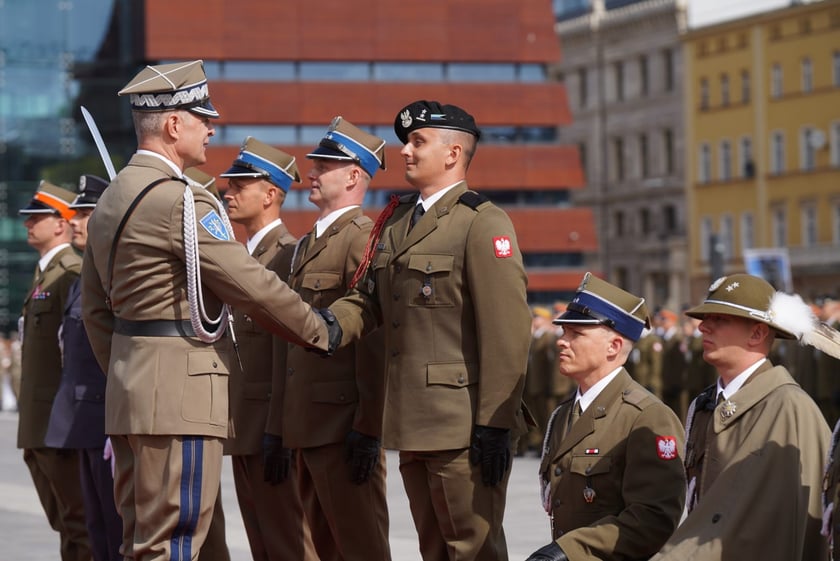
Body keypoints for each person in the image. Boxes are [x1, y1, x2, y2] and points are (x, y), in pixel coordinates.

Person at [80, 60, 334, 561]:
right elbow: (249, 284)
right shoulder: (179, 200)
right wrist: (319, 329)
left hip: (134, 390)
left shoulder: (111, 200)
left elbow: (95, 309)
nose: (212, 129)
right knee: (174, 543)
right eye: (202, 117)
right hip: (181, 393)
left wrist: (134, 370)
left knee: (141, 541)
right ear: (174, 124)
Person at [329, 100, 532, 561]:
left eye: (418, 142)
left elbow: (508, 331)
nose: (405, 151)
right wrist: (325, 325)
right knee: (434, 550)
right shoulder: (396, 220)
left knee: (474, 550)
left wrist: (495, 424)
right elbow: (369, 301)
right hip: (412, 421)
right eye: (406, 142)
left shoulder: (482, 223)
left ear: (453, 153)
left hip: (462, 427)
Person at [275, 117, 391, 561]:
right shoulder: (308, 244)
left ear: (354, 176)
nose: (313, 173)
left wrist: (368, 427)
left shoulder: (362, 239)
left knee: (361, 548)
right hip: (307, 424)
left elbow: (373, 338)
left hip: (343, 428)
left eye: (324, 165)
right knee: (325, 549)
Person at [653, 273, 830, 560]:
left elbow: (765, 524)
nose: (703, 327)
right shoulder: (705, 405)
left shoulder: (788, 408)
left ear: (757, 333)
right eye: (706, 317)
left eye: (720, 319)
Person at [525, 272, 686, 561]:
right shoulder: (564, 414)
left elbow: (653, 518)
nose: (562, 342)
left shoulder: (647, 417)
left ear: (613, 347)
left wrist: (568, 552)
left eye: (577, 334)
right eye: (564, 332)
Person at [216, 137, 317, 561]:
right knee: (263, 546)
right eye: (229, 185)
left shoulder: (289, 257)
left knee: (290, 545)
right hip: (244, 427)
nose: (228, 192)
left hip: (272, 430)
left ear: (272, 194)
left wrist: (279, 430)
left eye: (241, 185)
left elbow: (291, 354)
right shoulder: (238, 258)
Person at [44, 174, 121, 561]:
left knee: (115, 530)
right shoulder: (84, 275)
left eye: (86, 212)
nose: (74, 220)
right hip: (87, 423)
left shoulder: (114, 272)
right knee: (96, 530)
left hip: (108, 424)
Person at [17, 180, 91, 561]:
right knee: (66, 523)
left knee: (79, 521)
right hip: (38, 423)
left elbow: (76, 353)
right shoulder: (47, 273)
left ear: (61, 223)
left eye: (38, 217)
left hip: (57, 424)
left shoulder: (71, 271)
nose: (29, 225)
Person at [519, 306, 557, 456]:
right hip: (534, 384)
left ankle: (545, 446)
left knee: (546, 417)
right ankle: (537, 444)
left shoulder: (548, 337)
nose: (535, 320)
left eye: (538, 317)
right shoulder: (536, 338)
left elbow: (550, 364)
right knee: (537, 416)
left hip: (543, 385)